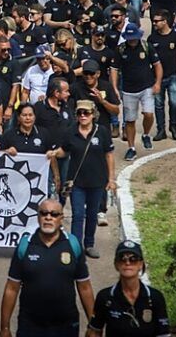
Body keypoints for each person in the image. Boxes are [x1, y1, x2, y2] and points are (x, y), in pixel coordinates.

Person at [0, 198, 95, 337]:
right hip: (30, 326)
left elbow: (84, 287)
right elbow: (11, 288)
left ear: (61, 218)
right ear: (38, 217)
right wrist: (5, 328)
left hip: (66, 326)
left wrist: (94, 326)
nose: (48, 217)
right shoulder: (25, 245)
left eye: (54, 214)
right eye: (44, 213)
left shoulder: (73, 244)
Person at [54, 100, 115, 259]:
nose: (83, 116)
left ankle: (89, 244)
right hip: (77, 181)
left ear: (93, 114)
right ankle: (76, 246)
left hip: (97, 181)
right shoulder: (71, 131)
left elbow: (109, 155)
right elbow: (64, 151)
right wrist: (52, 154)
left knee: (92, 214)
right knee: (78, 214)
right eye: (80, 113)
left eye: (86, 113)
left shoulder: (101, 131)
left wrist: (111, 178)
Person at [86, 240, 171, 337]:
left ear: (140, 265)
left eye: (133, 259)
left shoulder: (155, 298)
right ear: (116, 264)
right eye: (122, 258)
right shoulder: (105, 297)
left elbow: (163, 334)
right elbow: (94, 332)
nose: (127, 263)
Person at [114, 24, 162, 161]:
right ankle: (131, 148)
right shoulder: (121, 50)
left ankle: (146, 134)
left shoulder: (147, 47)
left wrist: (157, 83)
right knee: (130, 120)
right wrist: (115, 87)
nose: (132, 41)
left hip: (146, 86)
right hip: (128, 89)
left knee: (148, 114)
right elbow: (114, 69)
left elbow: (157, 65)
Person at [148, 9, 176, 141]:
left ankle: (173, 126)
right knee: (158, 104)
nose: (154, 23)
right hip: (157, 77)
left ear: (165, 21)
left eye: (157, 21)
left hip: (173, 75)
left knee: (174, 102)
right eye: (153, 21)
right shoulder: (152, 38)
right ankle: (160, 129)